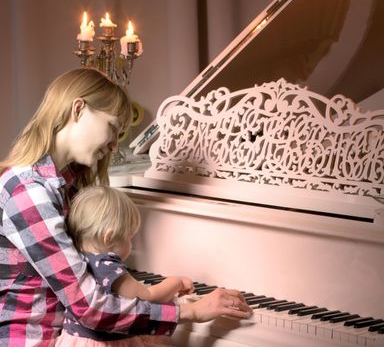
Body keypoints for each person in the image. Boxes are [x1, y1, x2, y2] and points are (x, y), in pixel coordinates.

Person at [0, 68, 252, 346]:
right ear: (78, 109)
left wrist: (158, 293)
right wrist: (189, 310)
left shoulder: (67, 185)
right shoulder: (28, 192)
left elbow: (98, 280)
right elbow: (91, 307)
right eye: (112, 128)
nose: (113, 146)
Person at [57, 185, 197, 346]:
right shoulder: (106, 266)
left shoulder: (77, 258)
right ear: (108, 238)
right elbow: (146, 296)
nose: (130, 244)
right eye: (129, 237)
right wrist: (175, 282)